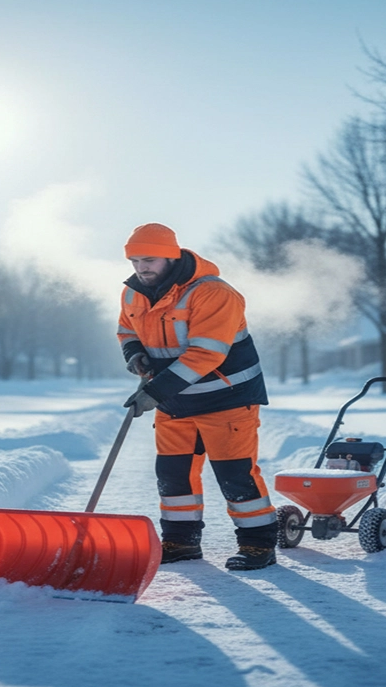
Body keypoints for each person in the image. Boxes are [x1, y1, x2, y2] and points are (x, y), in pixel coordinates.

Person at [117, 222, 278, 571]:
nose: (141, 268)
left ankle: (258, 545)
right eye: (135, 261)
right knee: (173, 474)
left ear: (171, 257)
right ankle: (180, 543)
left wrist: (154, 393)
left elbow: (206, 355)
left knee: (235, 475)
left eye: (149, 260)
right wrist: (134, 353)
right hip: (175, 402)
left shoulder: (213, 293)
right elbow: (127, 327)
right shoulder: (134, 292)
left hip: (226, 399)